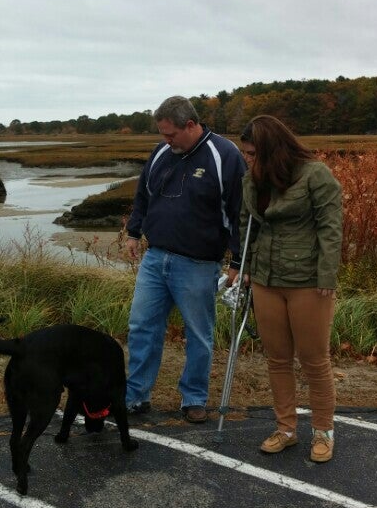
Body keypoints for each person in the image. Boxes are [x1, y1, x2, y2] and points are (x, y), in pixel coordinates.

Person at [125, 95, 246, 423]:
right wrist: (134, 232)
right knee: (141, 327)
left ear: (191, 125)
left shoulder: (226, 156)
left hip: (198, 264)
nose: (166, 140)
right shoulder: (162, 152)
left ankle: (193, 398)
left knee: (198, 333)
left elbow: (240, 213)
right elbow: (143, 194)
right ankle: (135, 397)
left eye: (171, 134)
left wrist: (238, 263)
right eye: (162, 134)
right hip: (155, 259)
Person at [229, 115, 342, 462]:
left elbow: (330, 227)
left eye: (251, 153)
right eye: (245, 153)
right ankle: (286, 428)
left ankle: (323, 431)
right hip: (266, 279)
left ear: (271, 150)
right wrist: (245, 269)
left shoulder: (315, 175)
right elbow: (247, 224)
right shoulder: (253, 180)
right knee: (277, 359)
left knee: (314, 361)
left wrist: (326, 276)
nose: (246, 159)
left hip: (308, 282)